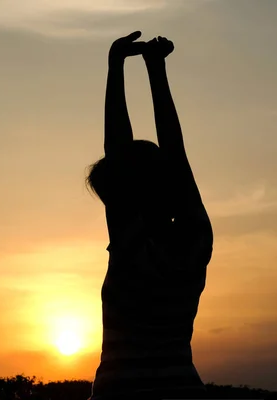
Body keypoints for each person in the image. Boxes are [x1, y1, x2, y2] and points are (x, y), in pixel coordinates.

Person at [86, 31, 214, 400]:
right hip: (183, 391)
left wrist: (116, 65)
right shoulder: (194, 241)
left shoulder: (131, 244)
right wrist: (156, 69)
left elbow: (118, 146)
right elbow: (176, 153)